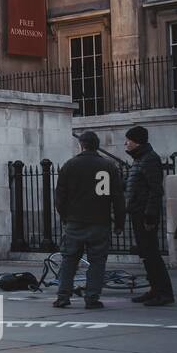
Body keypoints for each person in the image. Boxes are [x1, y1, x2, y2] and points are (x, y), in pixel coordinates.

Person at [53, 131, 125, 309]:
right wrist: (119, 221)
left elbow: (60, 196)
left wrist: (65, 216)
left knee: (69, 260)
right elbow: (117, 197)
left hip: (75, 220)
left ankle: (63, 296)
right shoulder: (108, 166)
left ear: (81, 145)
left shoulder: (70, 165)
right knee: (97, 261)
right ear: (96, 145)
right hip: (100, 219)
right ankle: (92, 297)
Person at [124, 125, 174, 307]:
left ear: (137, 141)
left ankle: (164, 292)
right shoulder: (140, 159)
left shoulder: (149, 159)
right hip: (137, 211)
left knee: (152, 254)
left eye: (128, 140)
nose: (126, 143)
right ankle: (154, 289)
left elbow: (155, 189)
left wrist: (150, 215)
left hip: (144, 214)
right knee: (146, 254)